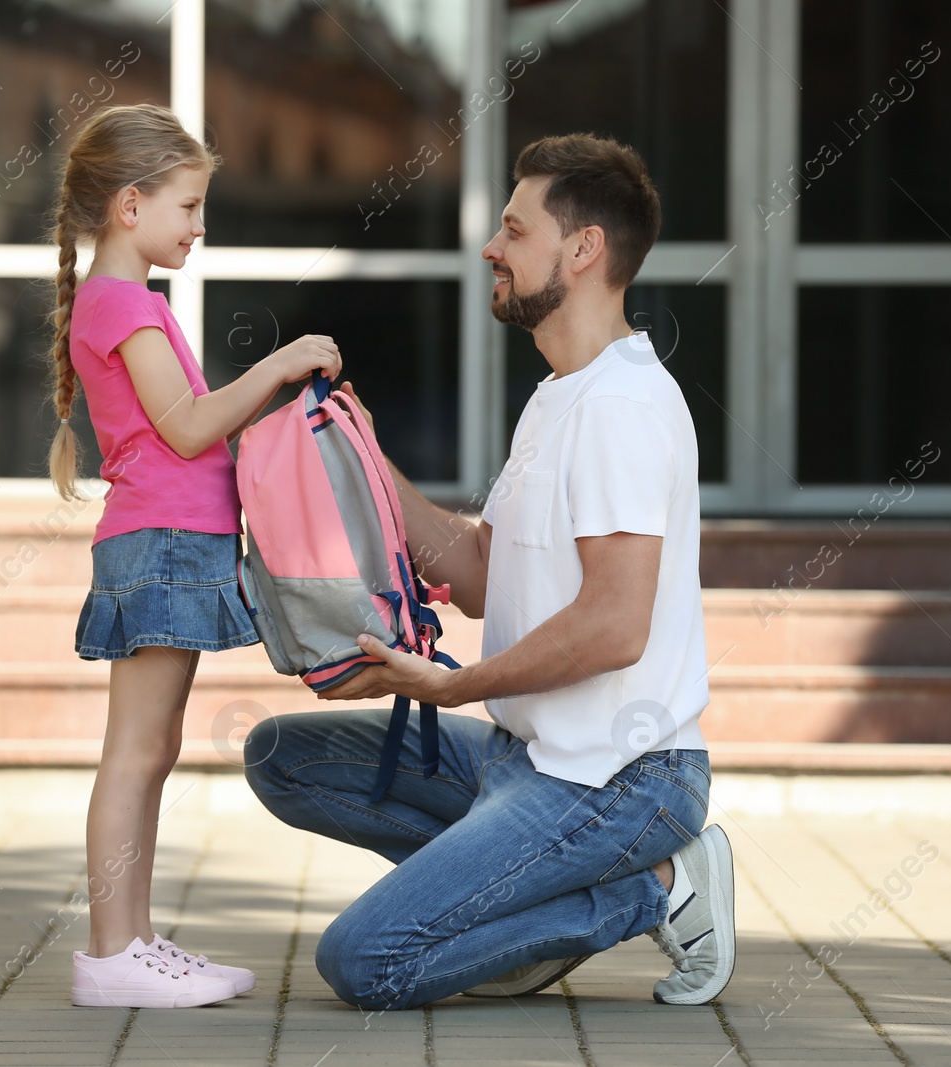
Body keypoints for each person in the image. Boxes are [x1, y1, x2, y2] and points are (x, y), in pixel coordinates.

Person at [244, 132, 734, 1010]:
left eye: (513, 229)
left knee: (366, 962)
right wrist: (357, 449)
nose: (491, 248)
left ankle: (657, 886)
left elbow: (617, 623)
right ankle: (505, 915)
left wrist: (454, 684)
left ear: (582, 249)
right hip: (525, 758)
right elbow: (474, 570)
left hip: (618, 782)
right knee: (283, 757)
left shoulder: (620, 406)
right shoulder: (561, 394)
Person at [44, 103, 342, 1008]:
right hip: (160, 544)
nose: (199, 225)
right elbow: (187, 425)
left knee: (153, 748)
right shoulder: (119, 302)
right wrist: (279, 364)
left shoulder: (127, 301)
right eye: (189, 205)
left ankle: (130, 938)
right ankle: (109, 952)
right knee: (135, 752)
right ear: (129, 205)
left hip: (173, 542)